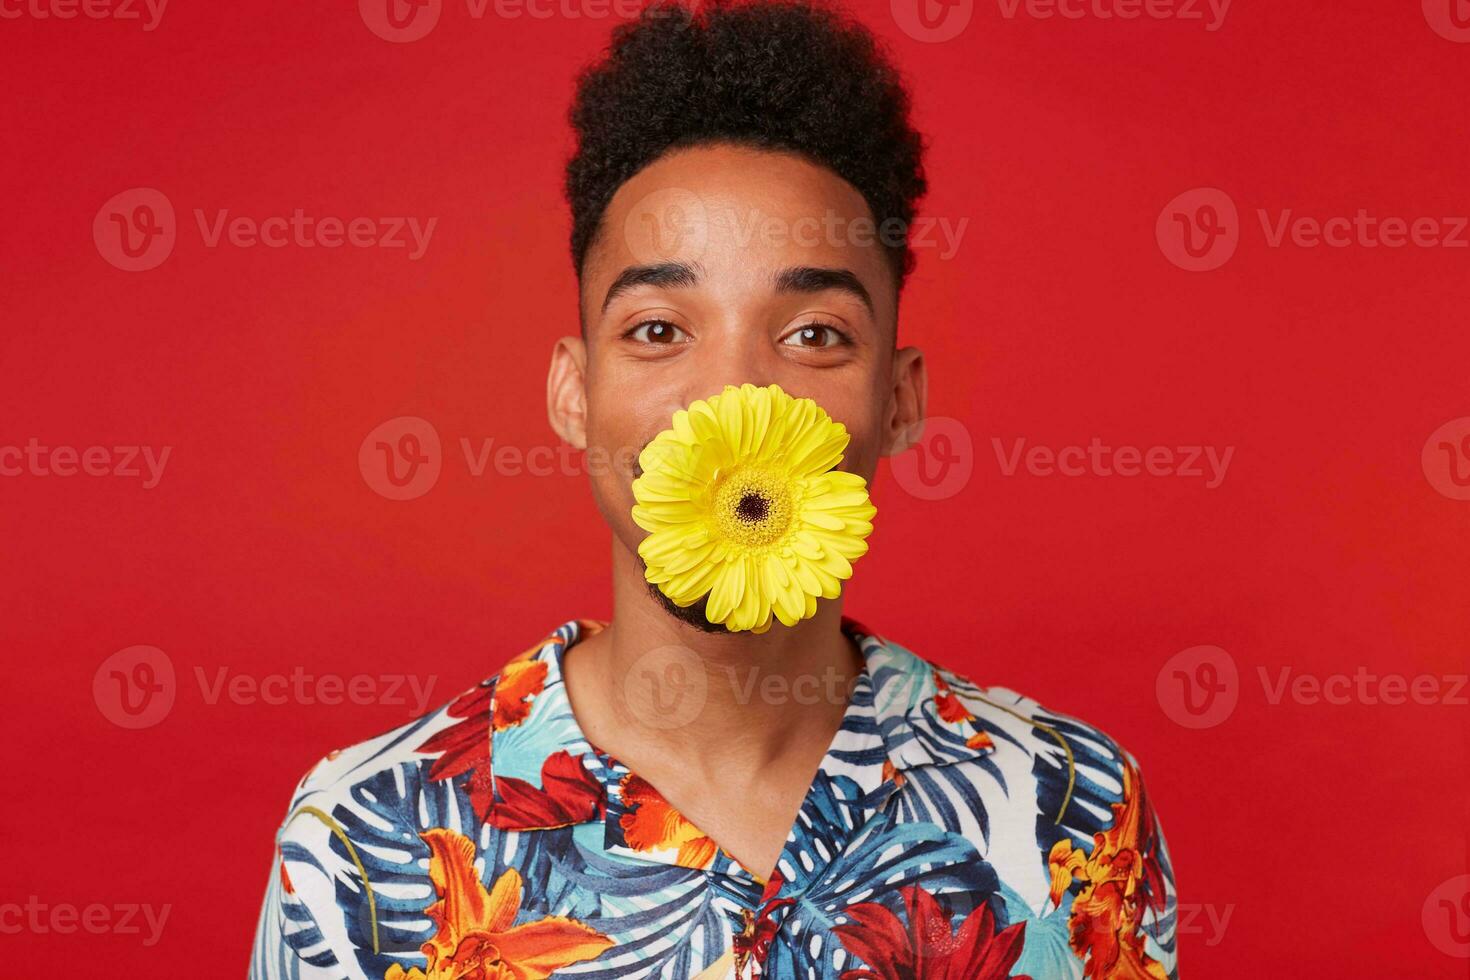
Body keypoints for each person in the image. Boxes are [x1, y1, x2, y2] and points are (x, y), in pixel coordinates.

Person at [249, 2, 1179, 977]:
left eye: (814, 332)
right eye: (658, 329)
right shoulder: (364, 836)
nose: (733, 400)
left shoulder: (1072, 807)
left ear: (899, 400)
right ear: (574, 390)